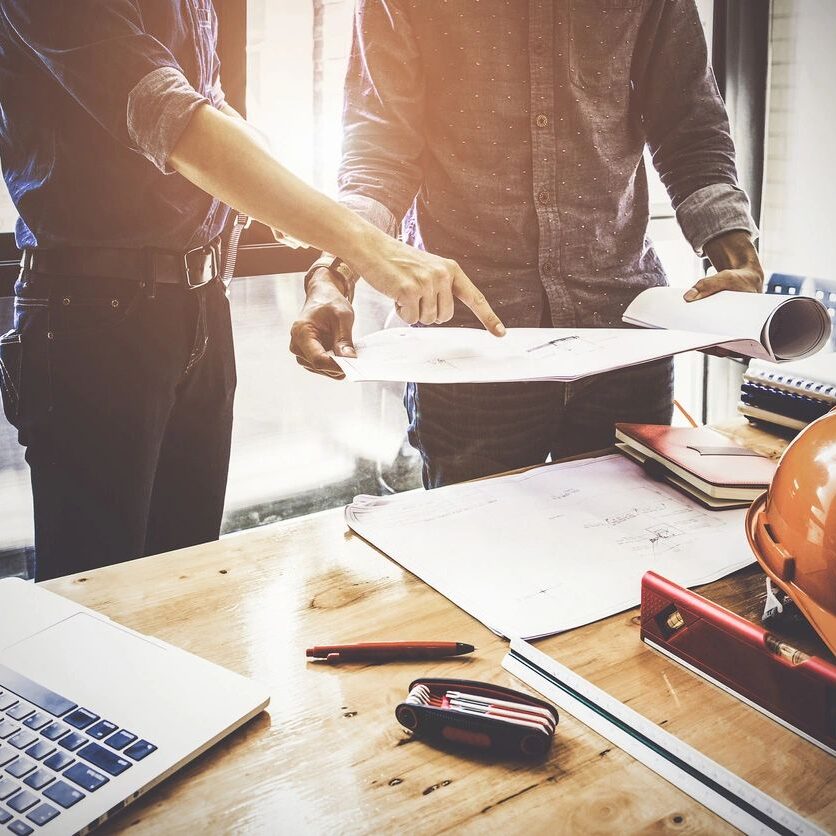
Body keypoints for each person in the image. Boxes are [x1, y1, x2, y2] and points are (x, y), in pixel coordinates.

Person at [0, 0, 504, 581]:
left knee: (187, 587)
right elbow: (174, 120)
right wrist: (370, 247)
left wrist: (322, 242)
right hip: (92, 312)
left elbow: (213, 109)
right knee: (96, 599)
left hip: (201, 303)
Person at [291, 0, 765, 488]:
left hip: (625, 331)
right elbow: (379, 154)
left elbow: (689, 127)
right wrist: (335, 270)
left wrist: (739, 257)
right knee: (473, 553)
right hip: (468, 349)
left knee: (632, 546)